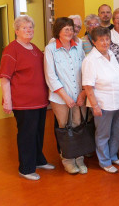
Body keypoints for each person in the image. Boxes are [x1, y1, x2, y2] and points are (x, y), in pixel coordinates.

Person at [0, 15, 54, 181]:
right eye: (24, 28)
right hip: (23, 103)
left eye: (31, 27)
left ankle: (38, 160)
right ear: (17, 31)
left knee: (38, 132)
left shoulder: (34, 48)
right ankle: (26, 168)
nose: (29, 30)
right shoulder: (11, 49)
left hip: (39, 101)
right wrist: (7, 100)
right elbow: (5, 78)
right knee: (27, 134)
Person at [44, 17, 87, 175]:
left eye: (71, 28)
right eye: (66, 29)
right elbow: (51, 76)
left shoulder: (79, 46)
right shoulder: (50, 49)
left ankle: (79, 158)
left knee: (78, 126)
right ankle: (68, 159)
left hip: (79, 96)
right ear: (58, 31)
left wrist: (83, 92)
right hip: (60, 98)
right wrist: (66, 97)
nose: (70, 31)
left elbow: (85, 71)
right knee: (65, 128)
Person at [82, 26, 119, 173]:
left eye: (107, 39)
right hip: (103, 104)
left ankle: (113, 155)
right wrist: (95, 106)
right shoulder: (90, 60)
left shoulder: (111, 55)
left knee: (117, 131)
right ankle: (104, 161)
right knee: (103, 134)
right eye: (101, 40)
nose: (105, 42)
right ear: (94, 42)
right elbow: (88, 86)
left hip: (118, 102)